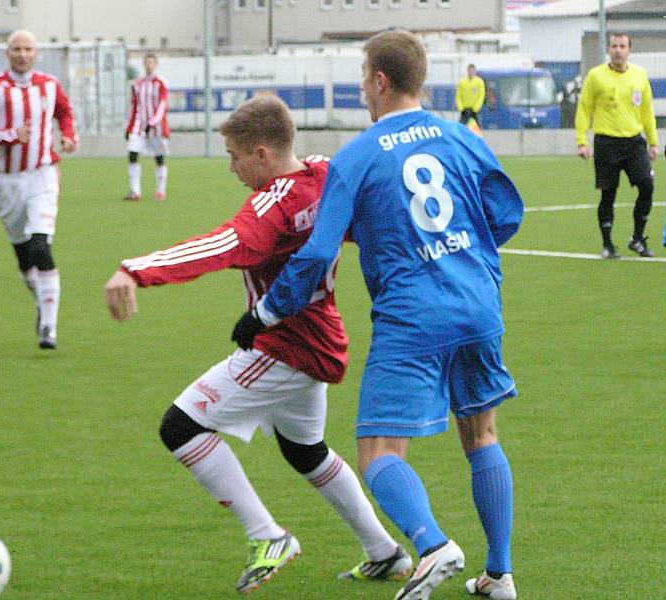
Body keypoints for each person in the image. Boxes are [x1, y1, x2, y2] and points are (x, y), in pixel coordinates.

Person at [232, 31, 523, 600]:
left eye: (364, 78)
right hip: (479, 302)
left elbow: (317, 255)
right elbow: (506, 214)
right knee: (482, 434)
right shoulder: (462, 137)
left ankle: (434, 545)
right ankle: (499, 573)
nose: (362, 89)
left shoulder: (357, 157)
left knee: (377, 453)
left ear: (381, 81)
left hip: (413, 313)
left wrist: (265, 312)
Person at [105, 95, 413, 594]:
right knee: (305, 450)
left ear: (264, 153)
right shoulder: (324, 175)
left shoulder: (272, 202)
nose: (232, 168)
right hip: (322, 337)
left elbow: (221, 245)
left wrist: (136, 271)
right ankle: (385, 552)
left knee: (179, 426)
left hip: (282, 345)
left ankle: (267, 535)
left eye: (235, 156)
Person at [0, 29, 77, 350]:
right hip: (7, 182)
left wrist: (69, 136)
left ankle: (49, 327)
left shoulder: (49, 85)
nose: (23, 54)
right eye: (17, 48)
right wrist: (11, 135)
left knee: (42, 246)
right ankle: (42, 302)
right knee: (24, 257)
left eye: (28, 48)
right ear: (7, 53)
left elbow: (65, 113)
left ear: (36, 52)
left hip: (43, 176)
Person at [575, 32, 659, 259]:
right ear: (609, 50)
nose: (618, 50)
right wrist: (582, 141)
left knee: (647, 186)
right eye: (614, 46)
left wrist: (653, 141)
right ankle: (608, 245)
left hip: (634, 142)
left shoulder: (639, 75)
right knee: (608, 195)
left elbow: (647, 110)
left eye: (622, 46)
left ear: (629, 50)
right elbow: (584, 109)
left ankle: (637, 239)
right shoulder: (596, 76)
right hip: (606, 143)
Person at [124, 53, 170, 202]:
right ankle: (135, 191)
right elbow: (134, 106)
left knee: (159, 158)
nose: (148, 65)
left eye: (151, 62)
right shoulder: (138, 83)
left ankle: (160, 190)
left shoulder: (161, 82)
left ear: (155, 64)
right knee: (132, 153)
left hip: (156, 128)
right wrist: (129, 126)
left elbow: (163, 105)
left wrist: (153, 122)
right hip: (139, 126)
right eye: (146, 62)